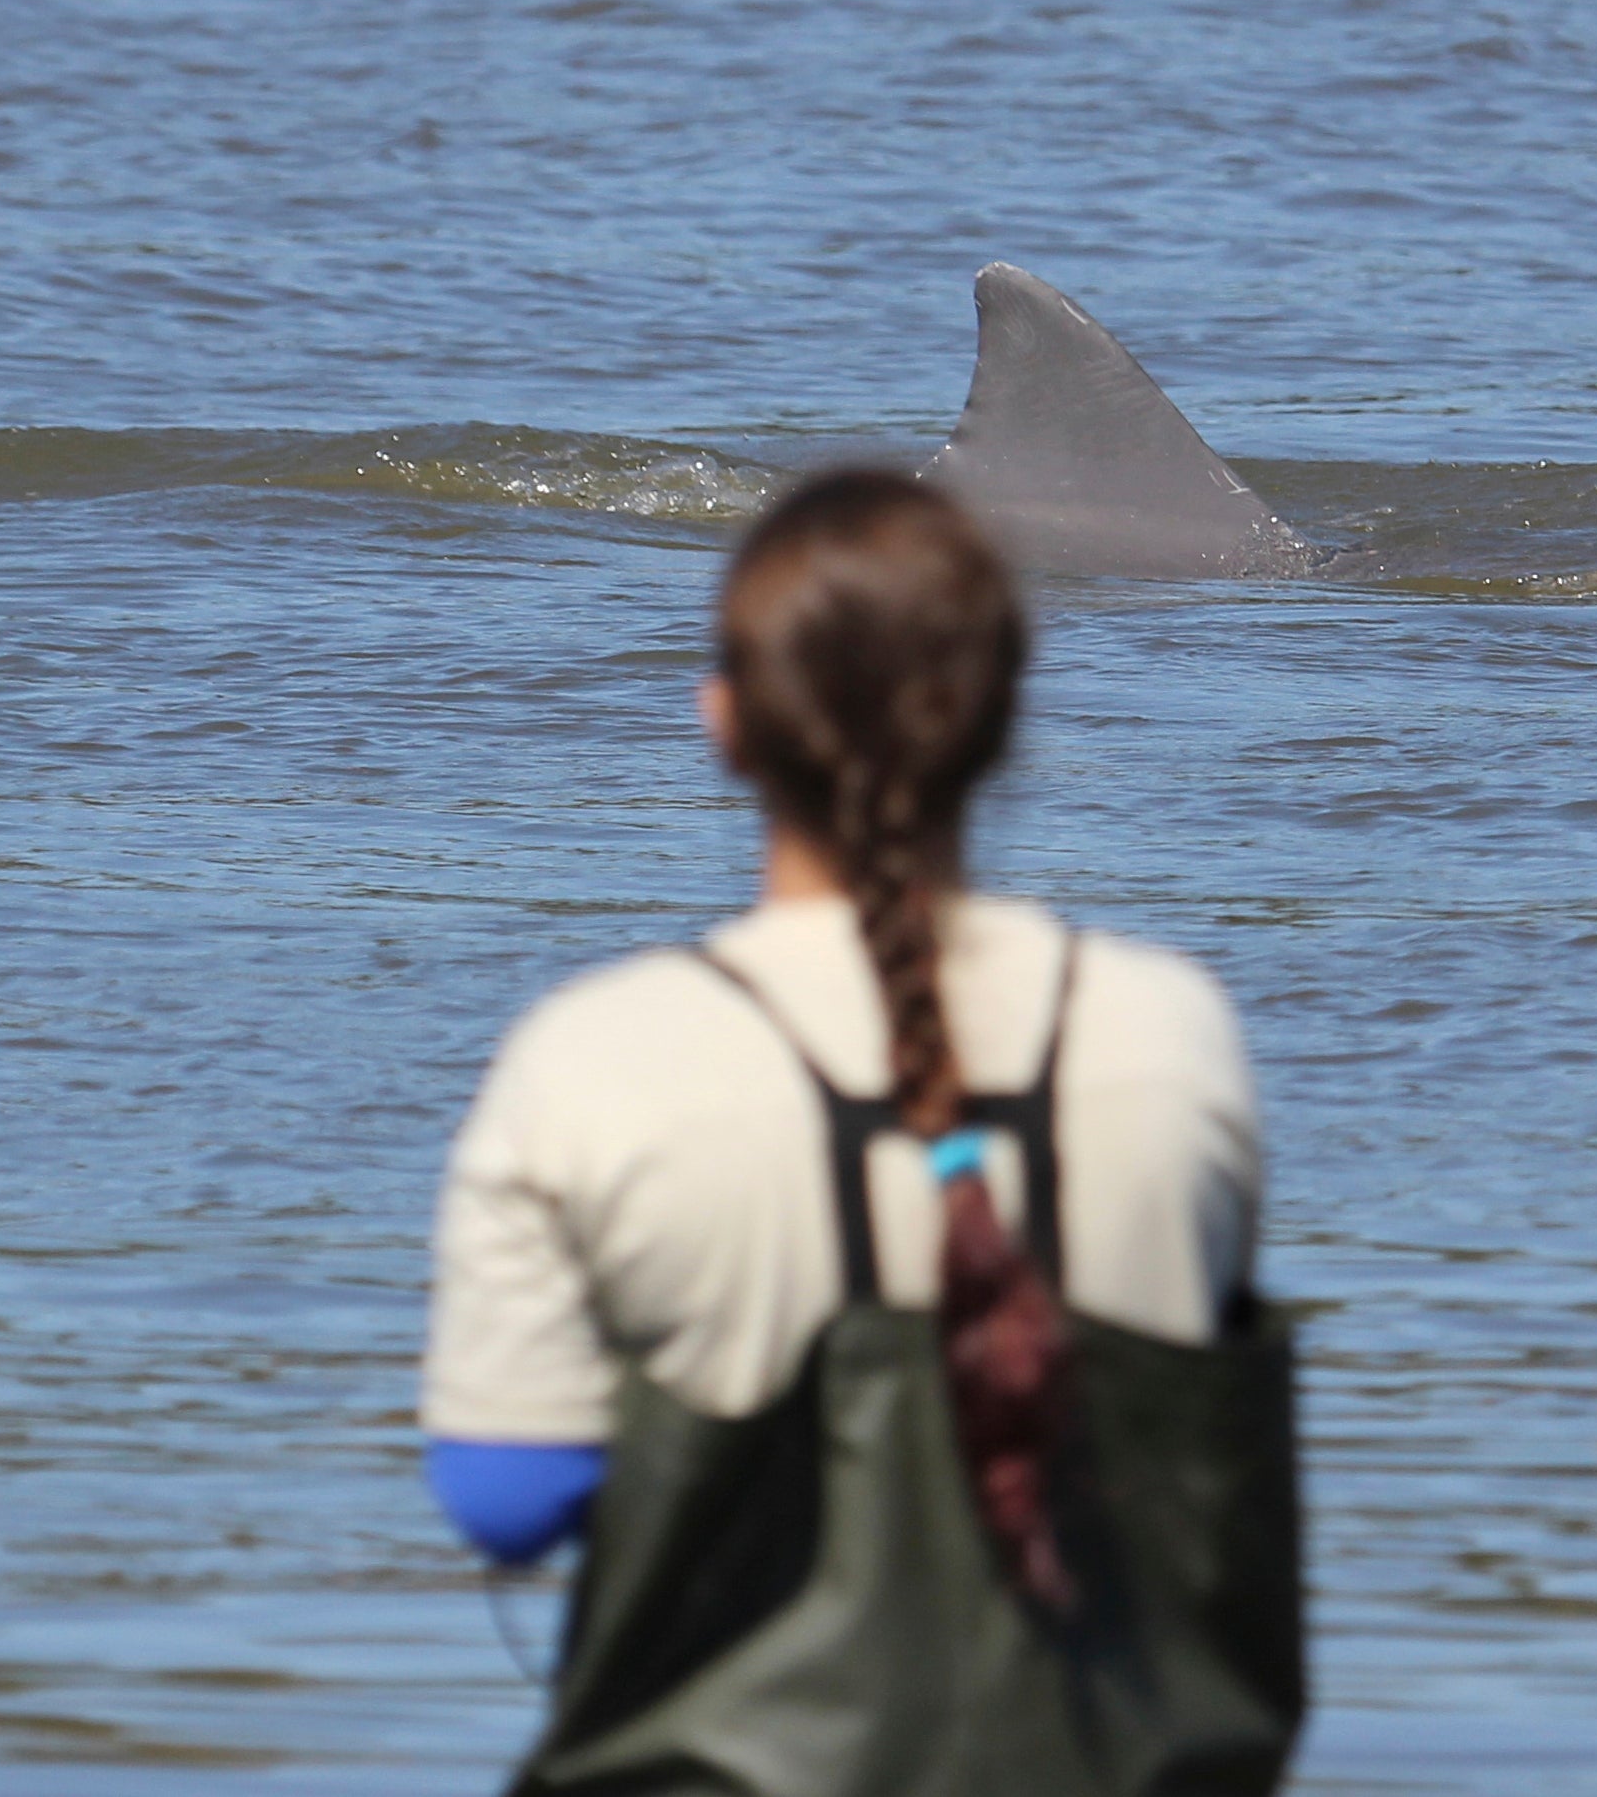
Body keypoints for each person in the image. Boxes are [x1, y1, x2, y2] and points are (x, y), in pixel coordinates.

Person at [421, 468, 1304, 1795]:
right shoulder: (1168, 1032)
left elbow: (504, 1496)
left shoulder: (597, 1052)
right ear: (1003, 720)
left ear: (724, 721)